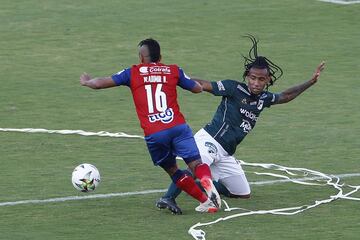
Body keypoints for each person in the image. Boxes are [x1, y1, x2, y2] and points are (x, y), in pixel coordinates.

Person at [156, 35, 325, 214]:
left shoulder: (264, 99)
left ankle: (198, 185)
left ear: (267, 80)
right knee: (195, 165)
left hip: (226, 152)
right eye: (253, 78)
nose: (256, 83)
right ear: (247, 76)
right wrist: (177, 78)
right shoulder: (233, 88)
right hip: (209, 140)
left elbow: (286, 96)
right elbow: (204, 84)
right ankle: (168, 197)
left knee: (242, 193)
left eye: (261, 79)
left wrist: (311, 82)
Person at [80, 38, 221, 214]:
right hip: (178, 126)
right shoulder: (173, 70)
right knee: (196, 163)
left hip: (155, 133)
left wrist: (87, 81)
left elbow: (100, 83)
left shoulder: (132, 72)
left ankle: (205, 201)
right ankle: (208, 186)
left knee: (172, 169)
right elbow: (197, 89)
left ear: (141, 57)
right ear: (160, 56)